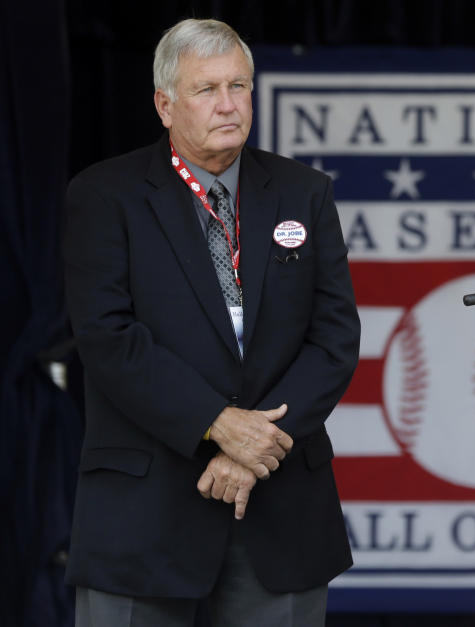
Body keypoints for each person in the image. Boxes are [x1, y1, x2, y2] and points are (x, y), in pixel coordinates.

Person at [62, 18, 360, 626]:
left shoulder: (305, 193)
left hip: (279, 514)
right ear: (164, 104)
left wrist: (250, 453)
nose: (229, 104)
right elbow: (107, 337)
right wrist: (219, 424)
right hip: (144, 515)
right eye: (206, 90)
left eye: (240, 85)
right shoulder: (105, 195)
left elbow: (334, 339)